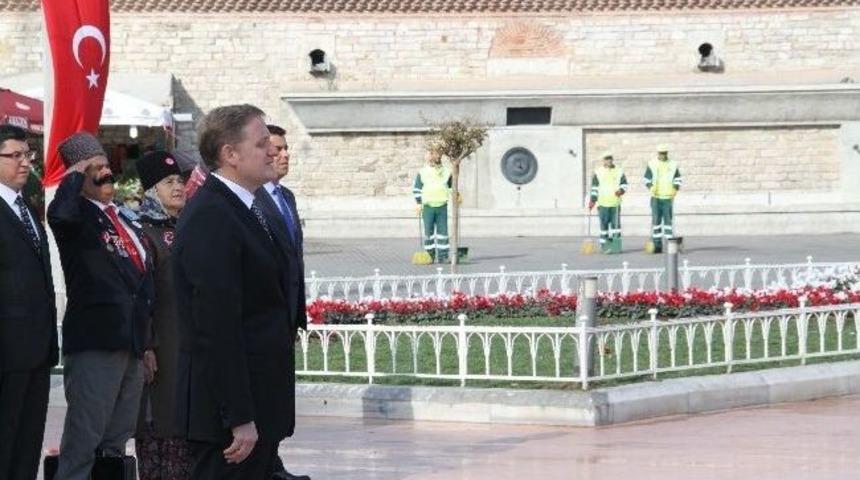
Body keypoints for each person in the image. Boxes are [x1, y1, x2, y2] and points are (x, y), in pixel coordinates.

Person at [173, 104, 296, 478]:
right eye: (261, 145)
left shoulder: (249, 206)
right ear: (230, 154)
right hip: (229, 420)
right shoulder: (212, 214)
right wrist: (239, 416)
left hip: (258, 403)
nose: (272, 151)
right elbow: (216, 323)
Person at [47, 132, 154, 480]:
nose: (105, 172)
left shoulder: (120, 216)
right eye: (94, 168)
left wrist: (146, 342)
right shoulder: (75, 214)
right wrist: (74, 174)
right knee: (84, 439)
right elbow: (59, 216)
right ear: (79, 177)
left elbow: (142, 281)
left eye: (106, 164)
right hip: (97, 340)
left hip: (132, 341)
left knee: (117, 439)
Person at [0, 125, 57, 480]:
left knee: (27, 446)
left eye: (28, 155)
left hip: (36, 350)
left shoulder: (27, 207)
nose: (25, 163)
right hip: (7, 352)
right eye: (15, 156)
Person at [253, 125, 310, 480]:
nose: (284, 155)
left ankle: (272, 460)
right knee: (263, 394)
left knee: (278, 395)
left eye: (287, 148)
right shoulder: (253, 199)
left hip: (285, 316)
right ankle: (262, 463)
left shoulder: (285, 197)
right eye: (276, 149)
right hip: (264, 316)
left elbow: (294, 261)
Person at [133, 151, 192, 480]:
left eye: (180, 180)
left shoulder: (187, 227)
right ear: (151, 190)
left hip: (189, 347)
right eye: (169, 182)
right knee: (162, 428)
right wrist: (146, 345)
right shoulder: (143, 233)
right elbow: (139, 294)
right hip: (162, 349)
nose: (178, 186)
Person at [412, 148, 452, 264]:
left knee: (443, 233)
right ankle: (429, 256)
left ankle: (443, 256)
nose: (433, 160)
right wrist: (419, 203)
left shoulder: (446, 171)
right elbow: (417, 188)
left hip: (442, 205)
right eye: (432, 158)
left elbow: (451, 187)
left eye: (435, 157)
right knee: (429, 232)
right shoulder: (423, 172)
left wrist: (456, 195)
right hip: (428, 206)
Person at [644, 144, 682, 254]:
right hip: (656, 197)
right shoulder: (652, 164)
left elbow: (678, 178)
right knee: (656, 222)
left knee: (668, 222)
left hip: (668, 197)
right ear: (658, 153)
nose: (663, 155)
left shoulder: (673, 164)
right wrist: (650, 187)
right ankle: (657, 245)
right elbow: (646, 178)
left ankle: (670, 244)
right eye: (661, 153)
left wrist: (675, 188)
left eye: (665, 153)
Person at [588, 151, 628, 253]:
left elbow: (624, 184)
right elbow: (595, 188)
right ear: (603, 161)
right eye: (606, 159)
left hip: (615, 203)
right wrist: (593, 200)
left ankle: (616, 246)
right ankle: (604, 246)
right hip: (603, 204)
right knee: (604, 226)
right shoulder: (598, 172)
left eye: (610, 158)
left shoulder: (619, 171)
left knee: (616, 227)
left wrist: (621, 190)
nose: (609, 160)